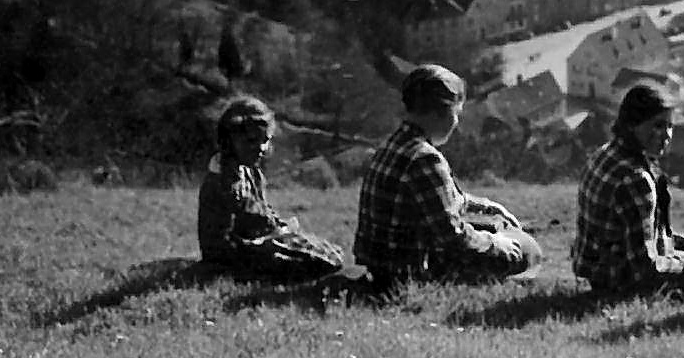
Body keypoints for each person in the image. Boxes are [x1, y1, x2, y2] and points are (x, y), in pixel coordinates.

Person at [353, 64, 544, 294]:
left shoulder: (393, 144)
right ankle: (503, 279)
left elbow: (441, 200)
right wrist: (500, 243)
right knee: (526, 249)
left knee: (495, 226)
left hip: (381, 265)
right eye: (456, 113)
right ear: (438, 112)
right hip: (410, 273)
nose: (456, 122)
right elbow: (455, 240)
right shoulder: (425, 159)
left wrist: (488, 208)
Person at [197, 96, 344, 280]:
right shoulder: (219, 184)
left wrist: (279, 227)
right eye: (251, 141)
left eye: (264, 140)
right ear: (230, 140)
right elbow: (216, 247)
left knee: (331, 254)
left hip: (264, 243)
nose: (260, 148)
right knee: (314, 264)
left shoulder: (252, 173)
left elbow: (262, 211)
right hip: (236, 260)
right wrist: (258, 247)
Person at [572, 81, 684, 295]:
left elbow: (646, 235)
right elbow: (646, 268)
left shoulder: (605, 153)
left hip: (595, 268)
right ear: (631, 124)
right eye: (657, 125)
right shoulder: (636, 179)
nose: (666, 135)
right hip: (616, 280)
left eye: (670, 126)